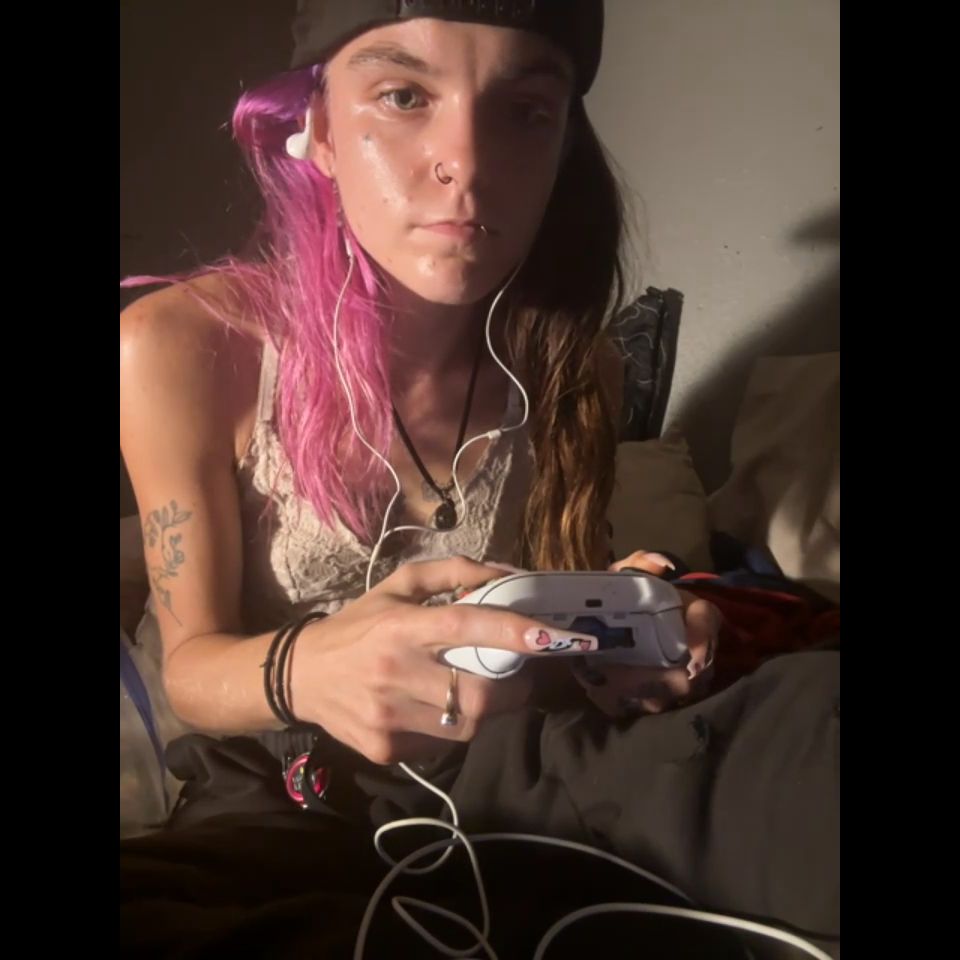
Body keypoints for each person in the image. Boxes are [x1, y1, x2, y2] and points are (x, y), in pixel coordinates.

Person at [120, 4, 838, 956]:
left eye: (524, 111)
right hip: (279, 784)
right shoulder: (181, 347)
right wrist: (313, 666)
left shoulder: (578, 368)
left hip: (504, 756)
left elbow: (554, 598)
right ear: (320, 131)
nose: (468, 162)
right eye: (403, 96)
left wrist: (624, 628)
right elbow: (192, 669)